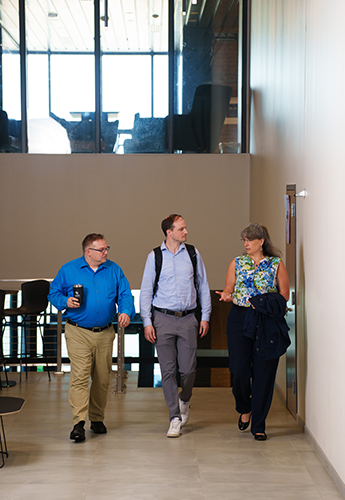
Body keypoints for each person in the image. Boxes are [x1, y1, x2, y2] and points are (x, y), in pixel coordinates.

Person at [48, 233, 135, 442]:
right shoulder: (68, 270)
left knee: (102, 377)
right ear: (88, 252)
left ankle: (97, 419)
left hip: (105, 333)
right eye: (101, 249)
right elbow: (53, 293)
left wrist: (125, 311)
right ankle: (78, 423)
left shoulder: (114, 269)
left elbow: (125, 294)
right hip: (77, 331)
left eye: (107, 249)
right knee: (80, 375)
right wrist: (65, 301)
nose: (106, 252)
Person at [216, 222, 290, 441]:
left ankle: (258, 424)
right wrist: (227, 295)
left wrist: (263, 302)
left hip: (266, 321)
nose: (246, 244)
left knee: (264, 374)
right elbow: (229, 288)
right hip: (240, 318)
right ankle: (244, 407)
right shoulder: (237, 262)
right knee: (239, 371)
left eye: (249, 240)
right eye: (244, 240)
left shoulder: (276, 264)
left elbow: (284, 294)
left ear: (261, 241)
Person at [140, 214, 211, 438]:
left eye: (185, 228)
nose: (186, 232)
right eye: (181, 229)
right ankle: (174, 417)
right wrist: (147, 322)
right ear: (169, 232)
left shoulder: (192, 253)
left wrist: (205, 316)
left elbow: (203, 284)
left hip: (189, 318)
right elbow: (146, 291)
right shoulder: (154, 256)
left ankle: (185, 399)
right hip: (162, 318)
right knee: (168, 370)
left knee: (188, 370)